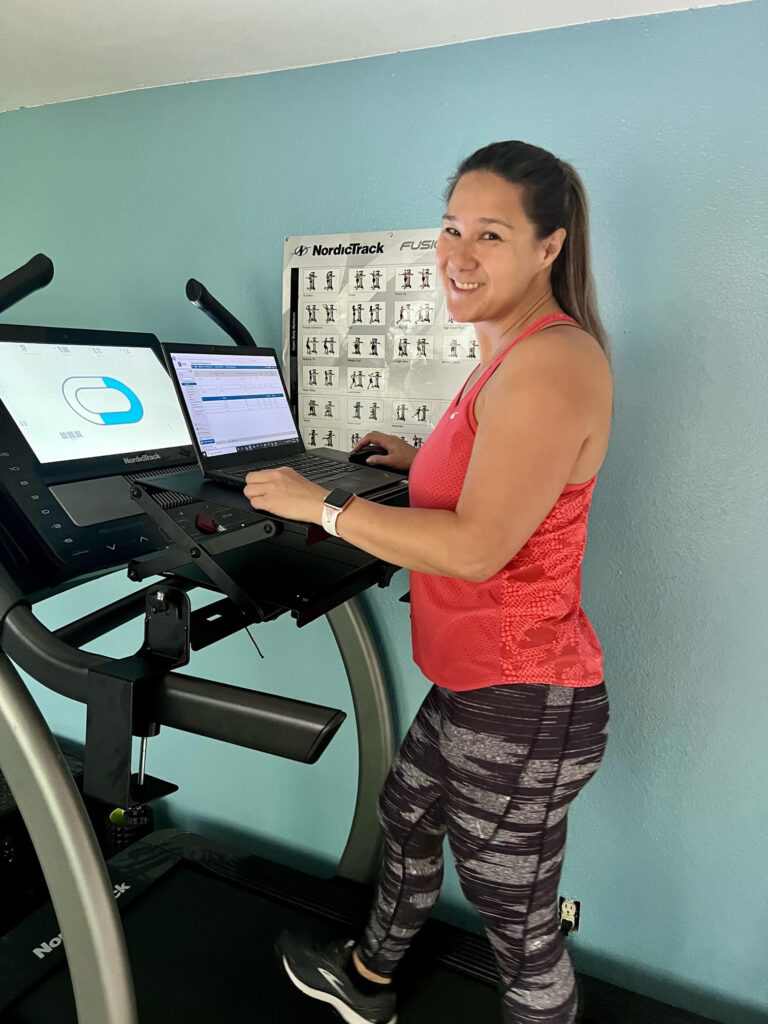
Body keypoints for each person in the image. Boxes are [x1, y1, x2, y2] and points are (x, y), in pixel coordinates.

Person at [244, 140, 613, 1024]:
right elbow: (500, 481)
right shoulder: (507, 352)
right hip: (476, 682)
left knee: (519, 933)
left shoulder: (551, 362)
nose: (458, 253)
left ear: (548, 247)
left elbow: (479, 546)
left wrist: (323, 507)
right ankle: (366, 982)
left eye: (490, 233)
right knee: (405, 817)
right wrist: (417, 462)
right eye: (450, 228)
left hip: (522, 699)